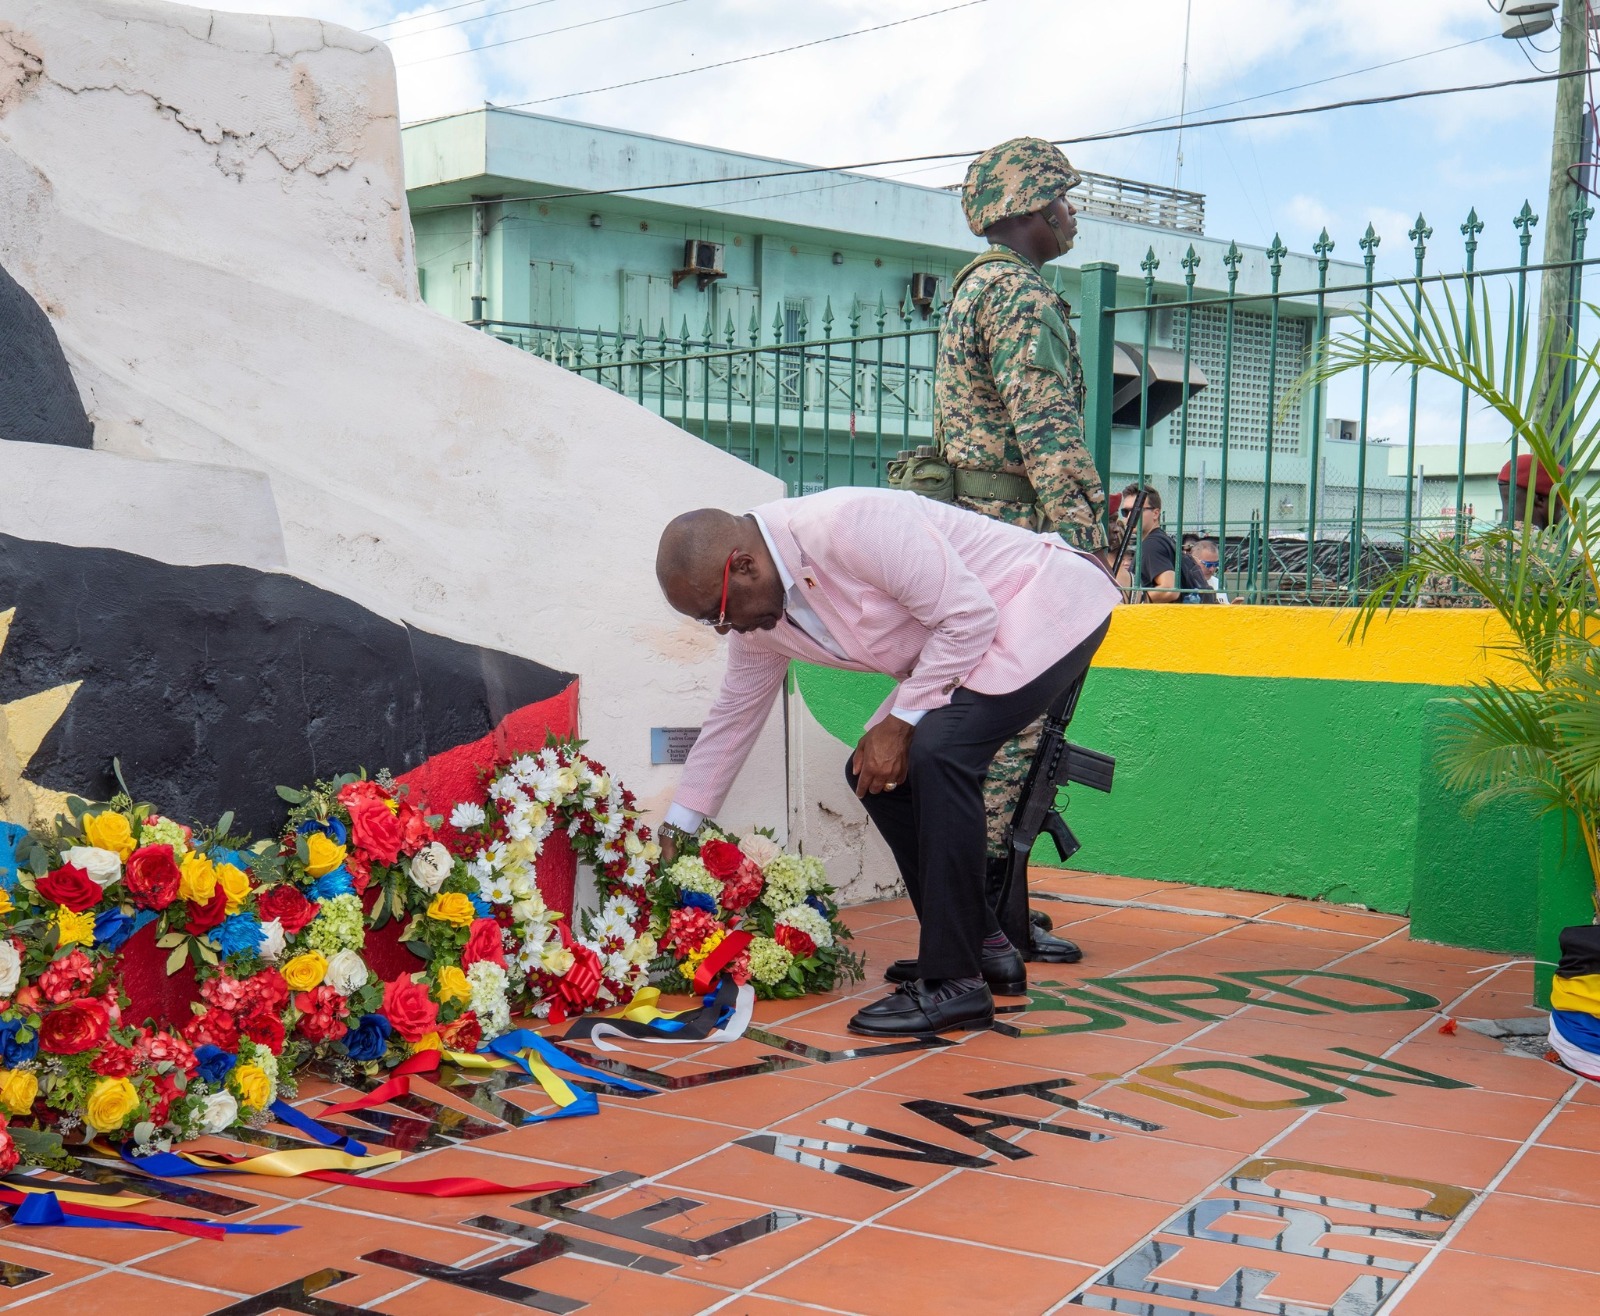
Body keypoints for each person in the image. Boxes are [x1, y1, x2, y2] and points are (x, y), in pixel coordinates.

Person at [653, 487, 1119, 1037]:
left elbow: (969, 614)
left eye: (718, 613)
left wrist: (901, 723)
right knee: (874, 776)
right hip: (971, 637)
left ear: (745, 565)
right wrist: (679, 824)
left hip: (1043, 602)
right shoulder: (763, 626)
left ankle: (956, 983)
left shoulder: (846, 525)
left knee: (936, 751)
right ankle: (984, 943)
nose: (725, 629)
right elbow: (735, 715)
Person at [930, 135, 1111, 962]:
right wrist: (1086, 547)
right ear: (1034, 210)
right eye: (1064, 201)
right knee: (1010, 737)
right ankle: (985, 930)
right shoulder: (1022, 297)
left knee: (1016, 733)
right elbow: (1047, 431)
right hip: (1022, 541)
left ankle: (1002, 909)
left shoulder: (973, 290)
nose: (1073, 214)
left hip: (978, 532)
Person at [1115, 483, 1182, 602]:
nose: (1130, 516)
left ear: (1155, 513)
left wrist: (1135, 600)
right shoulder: (1160, 540)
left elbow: (1169, 590)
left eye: (1136, 510)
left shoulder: (1152, 545)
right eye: (1125, 511)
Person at [1187, 538, 1230, 603]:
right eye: (1208, 564)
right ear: (1194, 560)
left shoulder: (1218, 583)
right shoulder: (1184, 583)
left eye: (1216, 564)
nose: (1212, 569)